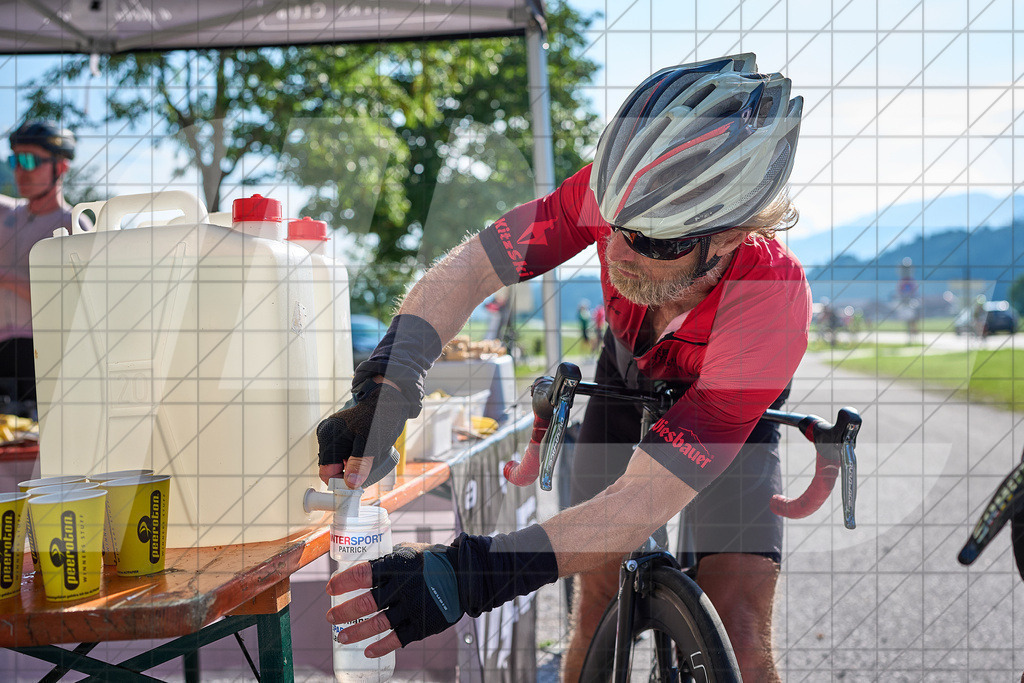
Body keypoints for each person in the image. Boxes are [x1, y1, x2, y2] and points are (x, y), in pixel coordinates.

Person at [316, 53, 808, 682]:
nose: (618, 253)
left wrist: (471, 574)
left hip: (728, 404)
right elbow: (474, 268)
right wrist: (388, 382)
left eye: (657, 241)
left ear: (734, 235)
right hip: (626, 372)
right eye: (616, 225)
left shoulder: (771, 299)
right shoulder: (610, 195)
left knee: (741, 636)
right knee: (595, 596)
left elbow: (640, 503)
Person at [0, 120, 88, 418]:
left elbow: (79, 305)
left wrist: (9, 280)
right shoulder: (6, 215)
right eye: (14, 159)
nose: (19, 170)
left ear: (60, 168)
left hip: (44, 360)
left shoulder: (73, 225)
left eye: (30, 160)